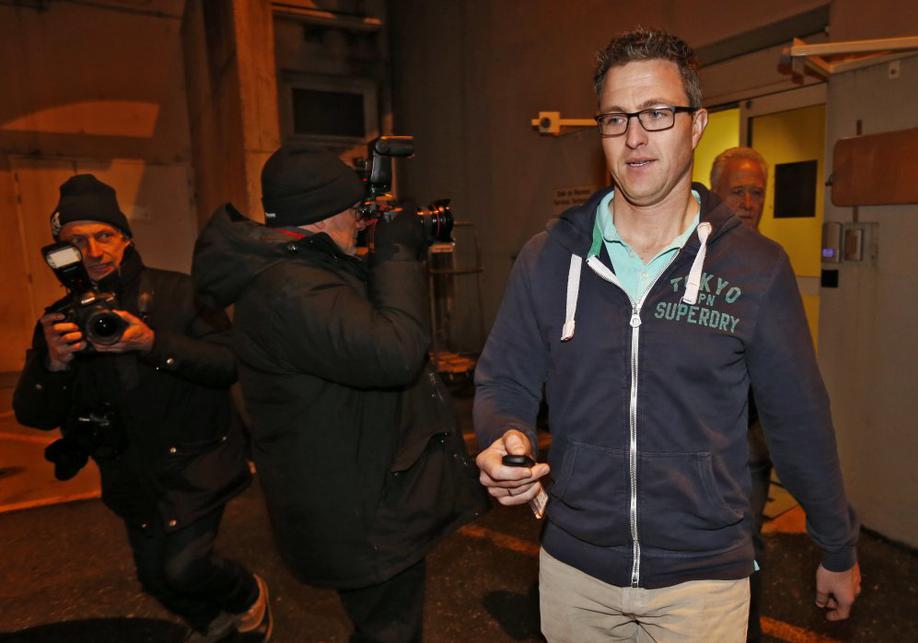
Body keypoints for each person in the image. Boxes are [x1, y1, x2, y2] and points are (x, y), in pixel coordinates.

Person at [474, 28, 861, 642]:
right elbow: (504, 380)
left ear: (697, 124)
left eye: (656, 113)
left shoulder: (754, 268)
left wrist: (836, 545)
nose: (634, 137)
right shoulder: (549, 258)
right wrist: (506, 434)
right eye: (615, 118)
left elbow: (798, 420)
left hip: (702, 583)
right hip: (575, 573)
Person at [191, 145, 488, 643]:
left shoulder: (302, 272)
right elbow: (395, 351)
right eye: (355, 211)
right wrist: (396, 252)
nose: (360, 221)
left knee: (383, 627)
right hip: (360, 514)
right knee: (389, 631)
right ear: (325, 215)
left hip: (356, 493)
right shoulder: (291, 289)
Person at [13, 174, 271, 643]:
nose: (94, 252)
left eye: (105, 236)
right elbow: (34, 415)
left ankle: (247, 595)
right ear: (61, 251)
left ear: (126, 239)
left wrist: (153, 343)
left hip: (196, 460)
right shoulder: (58, 320)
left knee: (184, 566)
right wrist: (52, 364)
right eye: (77, 241)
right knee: (155, 579)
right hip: (130, 473)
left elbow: (230, 363)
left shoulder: (180, 293)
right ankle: (215, 626)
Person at [711, 146, 773, 642]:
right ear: (714, 193)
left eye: (757, 193)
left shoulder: (769, 266)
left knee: (746, 545)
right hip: (700, 437)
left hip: (751, 437)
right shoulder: (690, 259)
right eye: (738, 192)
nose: (749, 203)